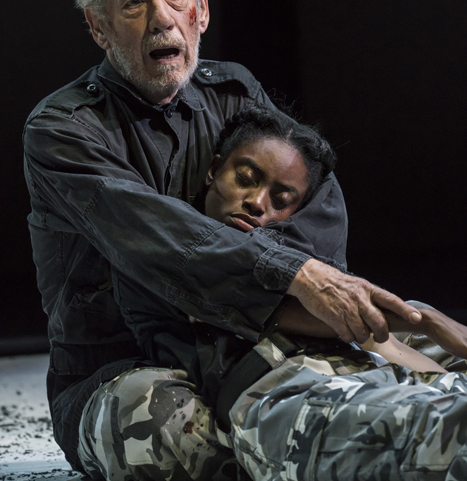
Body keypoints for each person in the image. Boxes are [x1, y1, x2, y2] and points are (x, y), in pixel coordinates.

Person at [23, 0, 421, 480]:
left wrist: (304, 281)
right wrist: (292, 274)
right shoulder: (62, 128)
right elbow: (150, 236)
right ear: (99, 28)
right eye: (134, 3)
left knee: (400, 342)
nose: (162, 18)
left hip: (241, 340)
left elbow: (316, 200)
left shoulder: (234, 92)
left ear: (202, 9)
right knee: (169, 430)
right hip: (121, 369)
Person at [108, 106, 467, 481]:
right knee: (438, 434)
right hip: (283, 394)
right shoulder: (168, 251)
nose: (257, 203)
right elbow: (274, 305)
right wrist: (426, 321)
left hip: (364, 368)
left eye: (281, 201)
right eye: (245, 178)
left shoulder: (288, 250)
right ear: (214, 169)